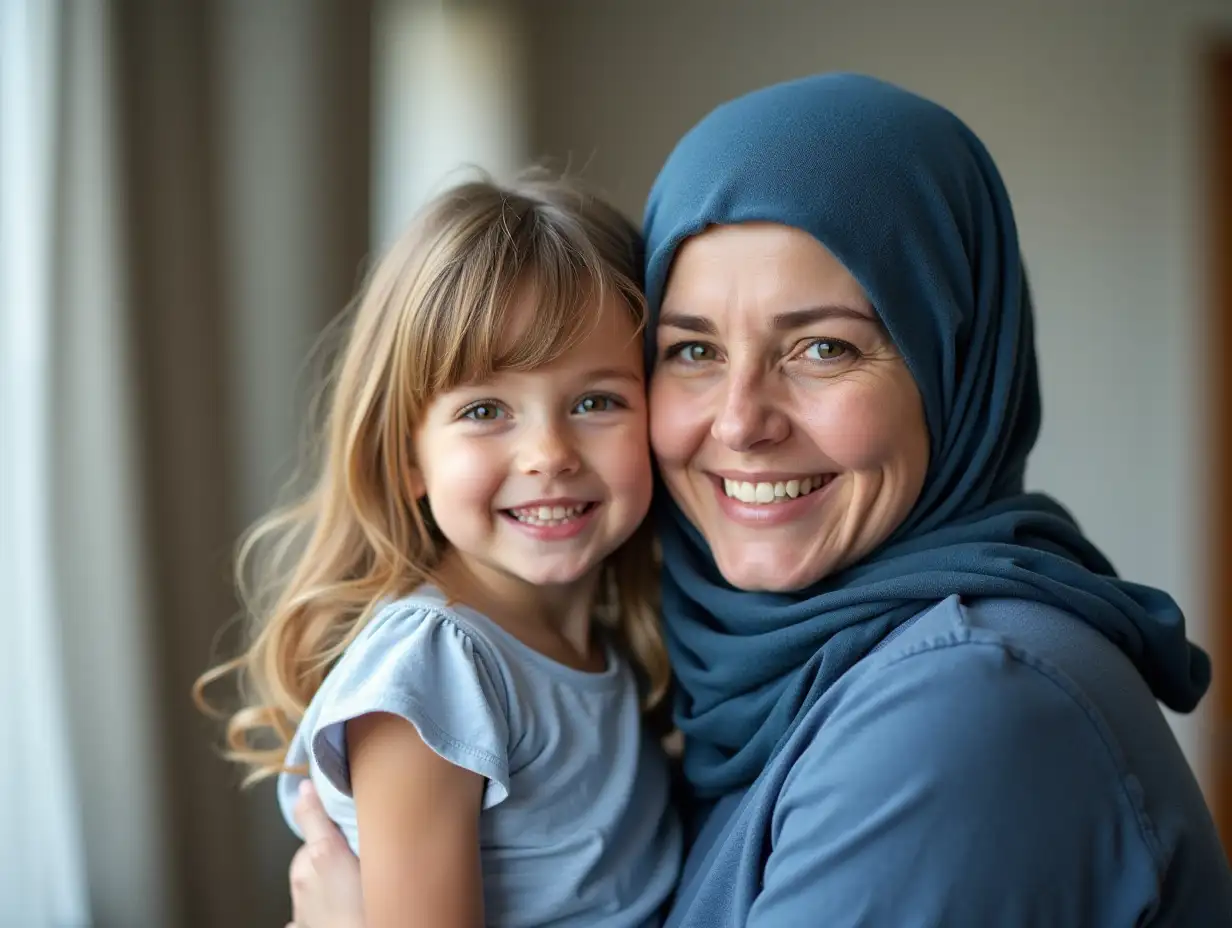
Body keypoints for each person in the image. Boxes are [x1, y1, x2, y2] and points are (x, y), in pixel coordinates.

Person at [284, 74, 1232, 926]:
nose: (741, 423)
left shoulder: (966, 713)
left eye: (825, 347)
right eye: (693, 349)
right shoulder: (742, 674)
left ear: (956, 367)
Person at [196, 175, 683, 927]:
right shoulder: (439, 666)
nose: (548, 453)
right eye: (485, 410)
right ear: (408, 457)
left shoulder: (603, 643)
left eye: (596, 402)